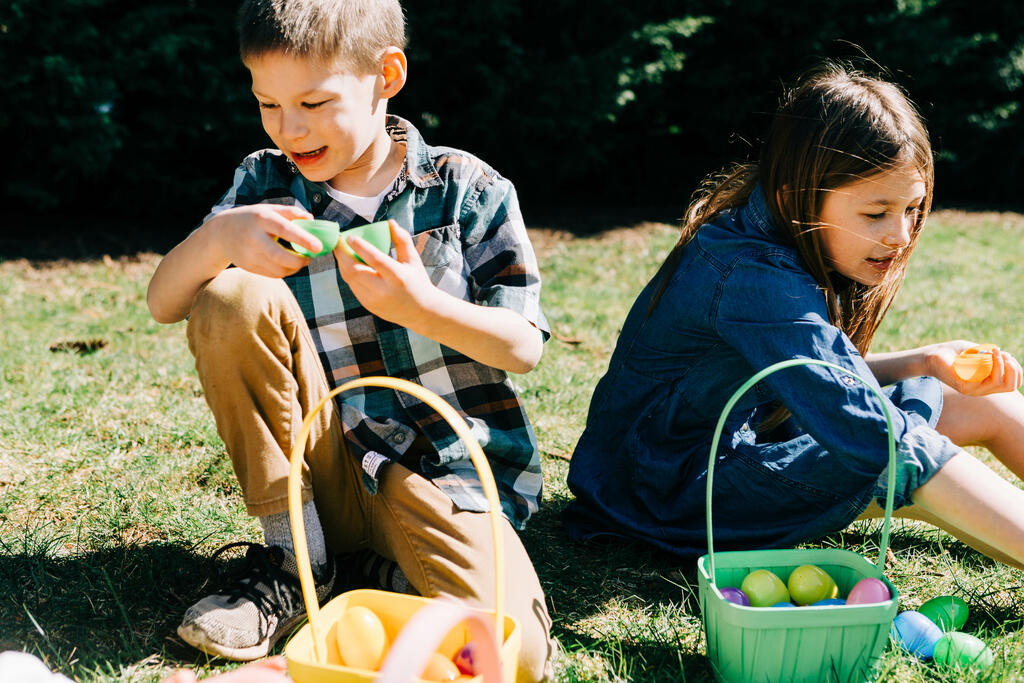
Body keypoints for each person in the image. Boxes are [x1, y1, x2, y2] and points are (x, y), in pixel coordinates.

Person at [146, 1, 553, 680]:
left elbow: (523, 346)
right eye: (268, 104)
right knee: (229, 294)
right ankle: (290, 556)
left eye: (312, 102)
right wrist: (220, 240)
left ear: (386, 75)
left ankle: (365, 568)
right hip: (320, 463)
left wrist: (422, 306)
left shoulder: (467, 190)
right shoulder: (263, 185)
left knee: (517, 653)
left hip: (437, 470)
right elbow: (164, 301)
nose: (289, 127)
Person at [563, 60, 1024, 569]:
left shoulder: (765, 233)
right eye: (876, 213)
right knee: (901, 457)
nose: (901, 233)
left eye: (913, 209)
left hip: (713, 456)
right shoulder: (754, 278)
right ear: (798, 197)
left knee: (980, 404)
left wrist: (924, 361)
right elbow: (871, 431)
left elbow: (813, 379)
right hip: (671, 495)